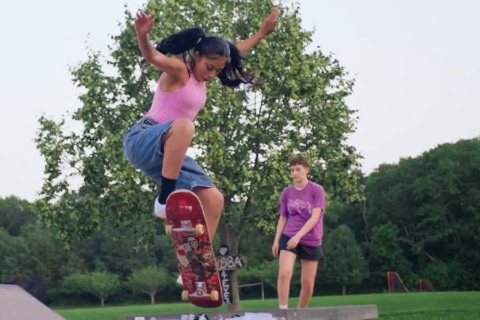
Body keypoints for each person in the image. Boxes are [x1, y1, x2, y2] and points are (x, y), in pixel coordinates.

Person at [123, 9, 279, 240]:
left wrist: (263, 32)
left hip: (165, 156)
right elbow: (153, 57)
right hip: (142, 139)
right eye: (209, 67)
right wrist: (142, 35)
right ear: (197, 55)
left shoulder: (208, 70)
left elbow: (238, 50)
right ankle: (164, 200)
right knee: (185, 126)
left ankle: (199, 264)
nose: (213, 75)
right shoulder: (180, 71)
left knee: (214, 200)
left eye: (218, 70)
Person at [272, 155, 326, 309]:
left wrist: (298, 236)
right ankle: (283, 312)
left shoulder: (316, 190)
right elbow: (283, 218)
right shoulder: (287, 192)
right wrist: (277, 240)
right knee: (284, 273)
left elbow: (315, 217)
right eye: (292, 170)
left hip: (311, 238)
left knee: (308, 283)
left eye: (298, 169)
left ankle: (301, 313)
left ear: (306, 170)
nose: (294, 173)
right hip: (289, 236)